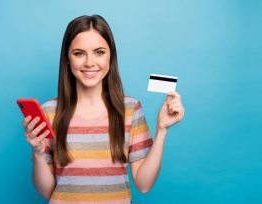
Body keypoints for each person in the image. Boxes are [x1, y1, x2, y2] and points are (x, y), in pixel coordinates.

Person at [22, 15, 185, 204]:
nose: (89, 62)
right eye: (79, 53)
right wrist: (37, 152)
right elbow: (46, 191)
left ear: (111, 56)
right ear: (67, 58)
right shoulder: (49, 112)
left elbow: (144, 184)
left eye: (99, 52)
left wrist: (162, 130)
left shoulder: (130, 109)